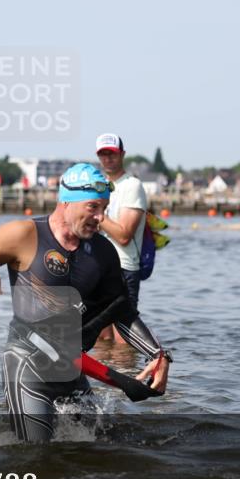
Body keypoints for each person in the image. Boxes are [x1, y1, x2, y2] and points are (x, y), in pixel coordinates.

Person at [0, 163, 172, 442]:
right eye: (93, 207)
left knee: (107, 447)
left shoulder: (103, 251)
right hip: (28, 367)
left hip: (71, 372)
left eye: (105, 208)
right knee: (36, 457)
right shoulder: (24, 235)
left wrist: (159, 354)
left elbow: (122, 312)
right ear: (66, 201)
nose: (101, 217)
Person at [94, 133, 148, 342]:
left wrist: (96, 214)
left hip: (123, 268)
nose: (107, 158)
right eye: (103, 154)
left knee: (122, 338)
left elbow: (124, 235)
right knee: (99, 336)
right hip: (97, 267)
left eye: (112, 153)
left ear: (122, 154)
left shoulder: (132, 185)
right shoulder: (97, 185)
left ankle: (128, 372)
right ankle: (100, 375)